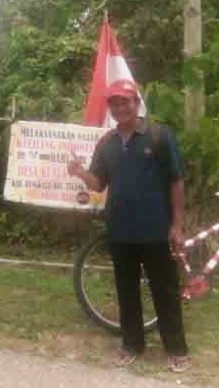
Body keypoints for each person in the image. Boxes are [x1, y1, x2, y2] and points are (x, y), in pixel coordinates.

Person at [68, 79, 190, 373]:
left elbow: (176, 181)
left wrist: (177, 224)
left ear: (137, 103)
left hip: (156, 231)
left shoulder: (159, 137)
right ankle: (132, 344)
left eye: (126, 102)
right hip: (120, 231)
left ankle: (176, 349)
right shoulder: (106, 143)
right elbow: (99, 183)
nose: (120, 108)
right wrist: (80, 173)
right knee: (126, 290)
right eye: (115, 103)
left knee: (165, 291)